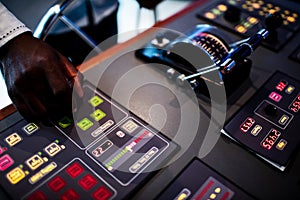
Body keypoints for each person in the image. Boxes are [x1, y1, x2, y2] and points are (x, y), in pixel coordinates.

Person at [0, 1, 119, 123]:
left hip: (105, 9)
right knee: (50, 99)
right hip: (33, 29)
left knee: (106, 84)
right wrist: (9, 38)